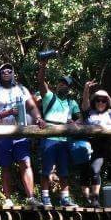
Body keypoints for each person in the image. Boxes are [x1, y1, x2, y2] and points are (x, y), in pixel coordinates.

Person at [0, 62, 44, 207]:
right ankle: (7, 199)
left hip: (21, 132)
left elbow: (32, 106)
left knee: (26, 163)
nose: (6, 73)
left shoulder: (21, 89)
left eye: (9, 71)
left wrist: (38, 118)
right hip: (2, 133)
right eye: (3, 71)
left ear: (13, 74)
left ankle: (31, 198)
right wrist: (4, 114)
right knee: (5, 166)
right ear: (0, 75)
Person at [36, 60, 82, 207]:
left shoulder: (71, 102)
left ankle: (65, 199)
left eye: (66, 84)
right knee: (46, 169)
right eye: (61, 83)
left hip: (64, 139)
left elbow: (81, 117)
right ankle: (45, 198)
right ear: (57, 85)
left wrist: (75, 123)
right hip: (49, 137)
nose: (63, 85)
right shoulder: (49, 96)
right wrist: (43, 65)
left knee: (64, 171)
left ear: (69, 88)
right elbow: (41, 81)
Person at [81, 81, 111, 206]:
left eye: (103, 101)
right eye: (98, 100)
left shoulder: (110, 113)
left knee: (95, 170)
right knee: (84, 172)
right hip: (85, 144)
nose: (100, 103)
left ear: (107, 102)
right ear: (94, 101)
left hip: (100, 145)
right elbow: (84, 104)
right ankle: (87, 199)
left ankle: (95, 199)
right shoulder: (88, 112)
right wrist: (86, 89)